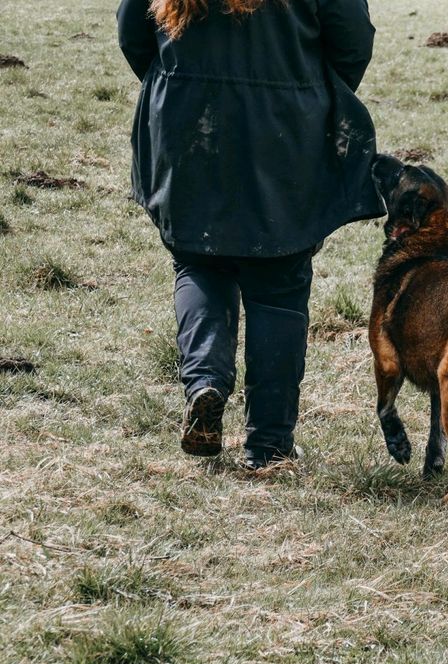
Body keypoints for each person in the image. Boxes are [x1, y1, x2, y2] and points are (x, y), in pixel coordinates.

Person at [116, 0, 384, 468]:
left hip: (188, 125)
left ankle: (205, 384)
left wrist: (181, 85)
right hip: (285, 128)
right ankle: (269, 444)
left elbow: (132, 31)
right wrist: (307, 91)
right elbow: (353, 39)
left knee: (199, 262)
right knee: (279, 282)